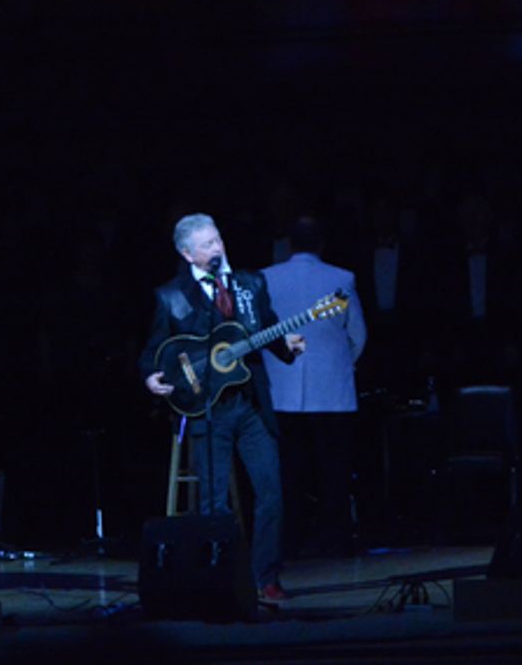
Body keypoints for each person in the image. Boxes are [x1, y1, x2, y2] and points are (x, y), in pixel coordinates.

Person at [139, 213, 305, 602]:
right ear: (187, 253)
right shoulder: (170, 295)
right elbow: (152, 351)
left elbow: (267, 326)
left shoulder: (249, 284)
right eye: (207, 245)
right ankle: (221, 579)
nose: (217, 248)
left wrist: (287, 347)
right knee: (213, 503)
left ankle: (265, 576)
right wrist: (150, 376)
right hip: (205, 407)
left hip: (249, 405)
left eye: (218, 240)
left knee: (271, 491)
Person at [261, 216, 367, 558]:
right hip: (332, 392)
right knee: (333, 474)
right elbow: (358, 336)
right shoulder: (341, 278)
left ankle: (290, 540)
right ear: (322, 243)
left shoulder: (266, 277)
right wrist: (339, 364)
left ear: (289, 243)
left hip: (282, 390)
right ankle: (334, 541)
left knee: (290, 474)